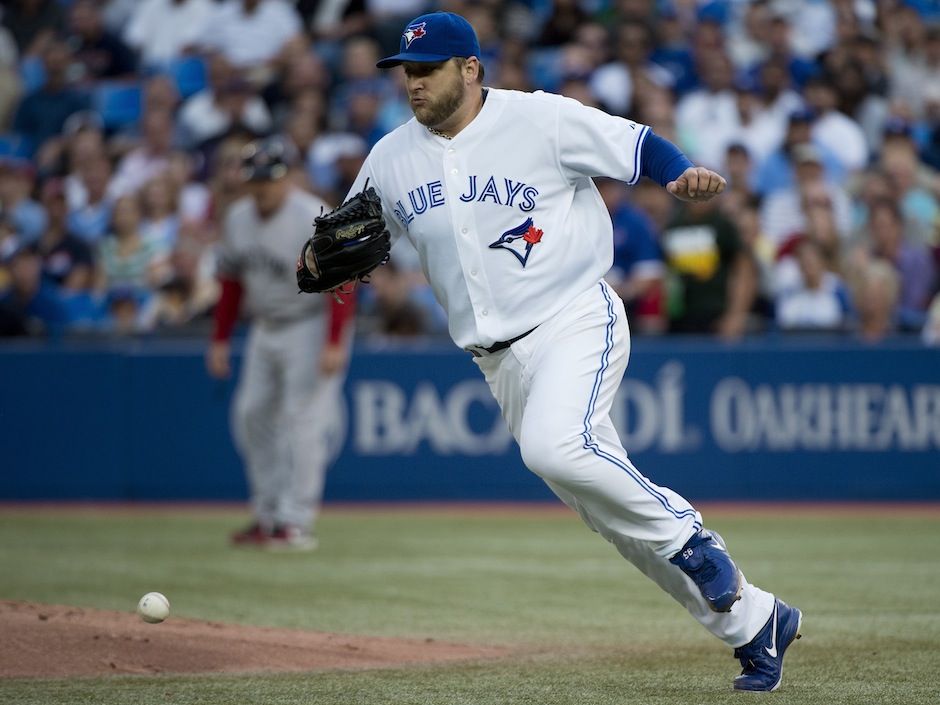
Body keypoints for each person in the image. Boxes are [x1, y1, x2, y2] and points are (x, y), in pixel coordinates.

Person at [344, 11, 803, 692]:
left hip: (573, 318)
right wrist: (319, 258)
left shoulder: (539, 119)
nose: (412, 83)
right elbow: (344, 233)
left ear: (469, 69)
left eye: (427, 69)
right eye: (406, 72)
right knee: (616, 523)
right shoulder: (389, 157)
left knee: (556, 447)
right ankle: (757, 623)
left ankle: (691, 535)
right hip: (497, 362)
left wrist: (677, 175)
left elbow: (637, 141)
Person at [206, 135, 354, 551]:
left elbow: (342, 279)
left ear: (287, 177)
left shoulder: (312, 215)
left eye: (270, 178)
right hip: (265, 325)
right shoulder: (237, 218)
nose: (262, 187)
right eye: (255, 178)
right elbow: (231, 283)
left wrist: (334, 340)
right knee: (252, 415)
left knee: (301, 422)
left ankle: (296, 520)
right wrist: (219, 339)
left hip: (311, 321)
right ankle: (268, 513)